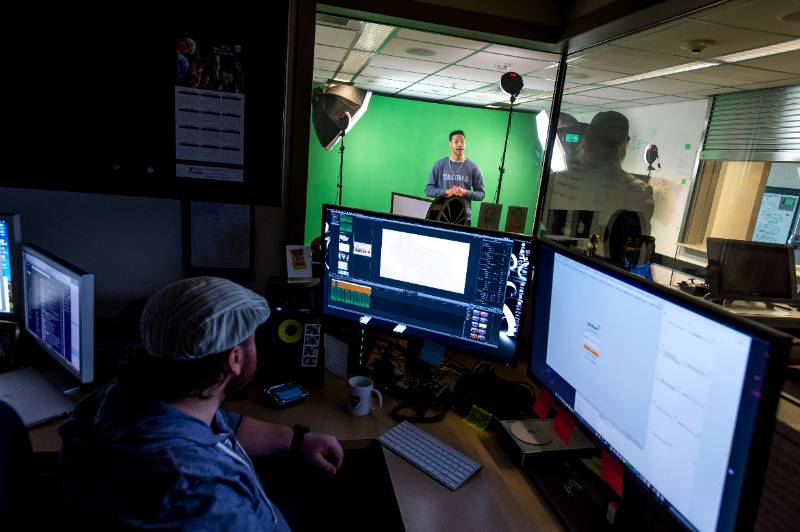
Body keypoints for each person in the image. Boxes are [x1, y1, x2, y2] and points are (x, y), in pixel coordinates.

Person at [59, 276, 344, 530]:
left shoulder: (125, 394)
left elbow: (222, 425)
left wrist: (298, 440)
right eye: (253, 338)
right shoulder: (200, 495)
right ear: (235, 359)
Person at [541, 110, 654, 267]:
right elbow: (636, 250)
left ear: (587, 138)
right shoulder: (639, 190)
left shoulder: (556, 178)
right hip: (602, 271)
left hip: (552, 259)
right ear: (624, 143)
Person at [425, 130, 485, 221]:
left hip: (463, 217)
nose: (460, 144)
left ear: (465, 144)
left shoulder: (474, 168)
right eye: (456, 142)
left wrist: (465, 192)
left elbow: (481, 194)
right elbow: (428, 190)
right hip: (440, 215)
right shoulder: (439, 164)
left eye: (462, 142)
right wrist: (446, 192)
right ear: (450, 144)